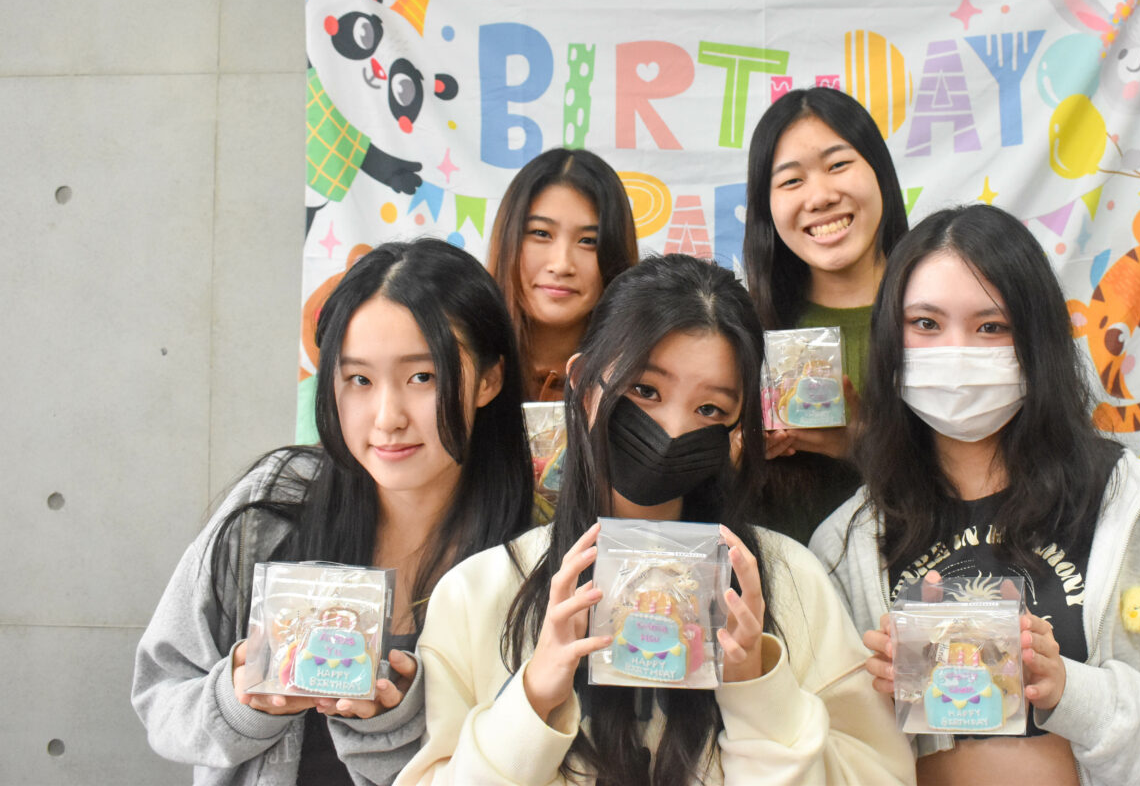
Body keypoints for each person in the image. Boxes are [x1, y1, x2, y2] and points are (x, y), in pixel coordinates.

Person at [398, 254, 915, 785]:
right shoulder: (476, 593)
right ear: (581, 381)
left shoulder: (791, 583)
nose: (671, 430)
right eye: (645, 391)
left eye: (710, 409)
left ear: (739, 423)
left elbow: (882, 775)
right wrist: (532, 698)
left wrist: (758, 688)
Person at [810, 205, 1140, 786]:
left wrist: (1070, 691)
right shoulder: (845, 545)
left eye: (991, 327)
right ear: (888, 341)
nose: (957, 352)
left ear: (1037, 339)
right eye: (925, 323)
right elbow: (824, 758)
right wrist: (869, 704)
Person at [133, 239, 535, 786]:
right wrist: (240, 698)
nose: (387, 417)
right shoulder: (276, 505)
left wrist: (390, 723)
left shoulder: (528, 556)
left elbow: (520, 763)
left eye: (422, 377)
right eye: (359, 380)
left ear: (488, 379)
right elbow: (160, 695)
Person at [742, 86, 909, 542]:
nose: (819, 197)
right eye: (791, 181)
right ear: (766, 206)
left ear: (880, 172)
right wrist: (737, 453)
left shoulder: (940, 317)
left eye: (838, 165)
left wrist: (860, 442)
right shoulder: (743, 335)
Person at [488, 149, 639, 403]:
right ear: (508, 240)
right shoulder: (463, 364)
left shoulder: (640, 381)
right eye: (541, 233)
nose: (561, 265)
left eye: (588, 241)